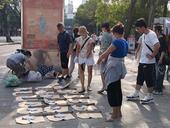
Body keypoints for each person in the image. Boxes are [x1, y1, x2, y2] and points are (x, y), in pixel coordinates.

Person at [97, 22, 128, 120]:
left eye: (113, 33)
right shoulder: (124, 41)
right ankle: (118, 112)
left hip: (113, 67)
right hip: (120, 66)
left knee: (112, 89)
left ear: (115, 33)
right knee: (117, 89)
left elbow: (106, 53)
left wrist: (98, 60)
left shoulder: (117, 42)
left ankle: (114, 114)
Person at [127, 18, 160, 104]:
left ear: (143, 27)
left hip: (149, 62)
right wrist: (137, 52)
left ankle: (150, 96)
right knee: (140, 77)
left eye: (138, 28)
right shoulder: (144, 35)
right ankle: (136, 93)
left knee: (149, 79)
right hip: (143, 61)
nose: (137, 30)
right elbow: (141, 44)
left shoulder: (151, 34)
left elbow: (157, 45)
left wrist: (152, 55)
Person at [76, 26, 95, 93]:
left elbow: (90, 49)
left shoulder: (90, 39)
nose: (82, 33)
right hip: (81, 56)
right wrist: (77, 56)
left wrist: (86, 57)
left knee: (89, 71)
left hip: (89, 56)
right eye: (81, 32)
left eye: (83, 32)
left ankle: (88, 86)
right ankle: (82, 86)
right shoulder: (78, 39)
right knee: (81, 72)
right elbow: (77, 48)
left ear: (85, 32)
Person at [98, 22, 113, 93]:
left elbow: (103, 45)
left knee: (102, 71)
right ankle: (107, 86)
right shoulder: (112, 34)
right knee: (108, 71)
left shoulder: (104, 34)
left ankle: (104, 86)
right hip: (110, 54)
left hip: (104, 53)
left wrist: (101, 54)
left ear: (104, 27)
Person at [153, 25, 167, 95]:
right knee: (157, 75)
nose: (154, 32)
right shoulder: (159, 38)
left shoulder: (162, 39)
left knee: (159, 75)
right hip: (158, 59)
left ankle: (159, 90)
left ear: (158, 31)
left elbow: (163, 51)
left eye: (154, 31)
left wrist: (160, 59)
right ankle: (157, 89)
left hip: (161, 60)